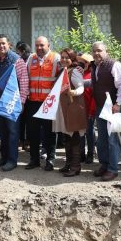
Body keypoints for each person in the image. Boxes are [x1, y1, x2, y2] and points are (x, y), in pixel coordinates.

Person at [0, 34, 29, 171]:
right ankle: (4, 157)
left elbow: (24, 81)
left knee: (13, 131)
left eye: (3, 43)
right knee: (2, 131)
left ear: (9, 45)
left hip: (12, 102)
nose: (1, 46)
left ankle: (12, 160)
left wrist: (22, 101)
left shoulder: (17, 60)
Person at [91, 41, 121, 181]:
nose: (96, 53)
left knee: (113, 139)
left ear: (106, 51)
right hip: (101, 107)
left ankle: (113, 169)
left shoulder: (115, 65)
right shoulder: (95, 66)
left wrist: (118, 103)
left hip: (113, 107)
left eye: (99, 50)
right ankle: (104, 165)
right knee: (101, 139)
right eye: (94, 51)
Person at [25, 36, 60, 171]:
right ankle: (34, 160)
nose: (39, 48)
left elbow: (62, 77)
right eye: (37, 45)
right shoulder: (31, 58)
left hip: (49, 102)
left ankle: (50, 160)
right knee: (32, 133)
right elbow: (26, 77)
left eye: (42, 45)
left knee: (50, 133)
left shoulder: (56, 58)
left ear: (48, 45)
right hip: (33, 102)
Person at [54, 49, 87, 177]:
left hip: (74, 108)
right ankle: (68, 164)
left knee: (74, 138)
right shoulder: (63, 71)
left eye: (67, 57)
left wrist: (74, 92)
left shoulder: (74, 72)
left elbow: (81, 87)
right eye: (62, 57)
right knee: (67, 137)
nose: (63, 59)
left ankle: (75, 166)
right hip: (65, 108)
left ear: (72, 59)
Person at [78, 53, 96, 164]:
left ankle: (90, 153)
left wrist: (92, 110)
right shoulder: (78, 73)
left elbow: (94, 96)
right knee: (80, 133)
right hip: (79, 109)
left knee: (89, 132)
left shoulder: (93, 75)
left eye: (84, 62)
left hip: (89, 108)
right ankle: (81, 154)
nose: (82, 64)